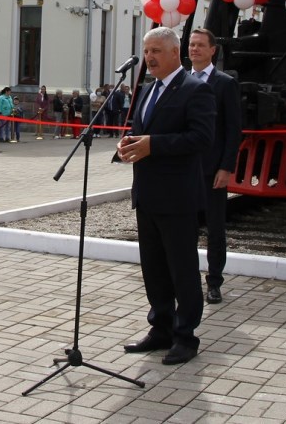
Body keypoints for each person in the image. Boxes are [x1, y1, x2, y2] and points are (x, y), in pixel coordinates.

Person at [117, 27, 215, 365]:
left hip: (178, 197)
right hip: (146, 193)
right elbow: (140, 131)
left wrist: (152, 145)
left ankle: (186, 335)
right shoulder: (146, 89)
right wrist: (128, 144)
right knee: (154, 268)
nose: (150, 58)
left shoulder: (195, 90)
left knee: (181, 269)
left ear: (176, 53)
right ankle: (161, 327)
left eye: (156, 51)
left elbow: (201, 138)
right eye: (146, 52)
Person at [188, 27, 242, 305]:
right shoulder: (181, 81)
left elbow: (234, 130)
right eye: (191, 45)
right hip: (185, 169)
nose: (194, 49)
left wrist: (226, 167)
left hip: (212, 171)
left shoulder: (224, 83)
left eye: (200, 45)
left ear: (213, 50)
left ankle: (214, 282)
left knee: (215, 229)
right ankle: (185, 281)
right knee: (185, 227)